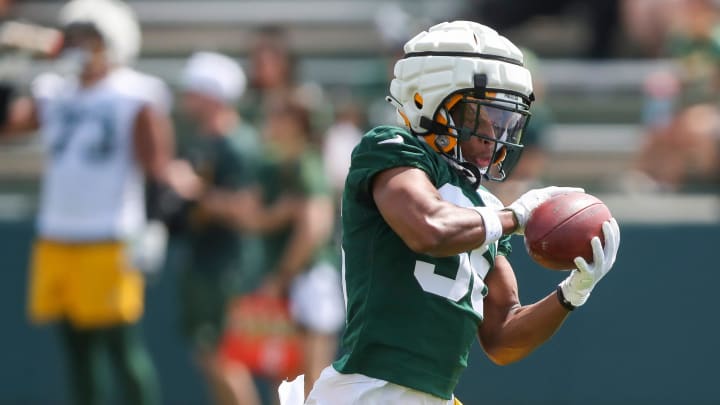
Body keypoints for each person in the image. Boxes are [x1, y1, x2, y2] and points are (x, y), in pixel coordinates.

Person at [280, 20, 621, 404]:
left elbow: (503, 337)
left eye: (507, 121)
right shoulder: (390, 148)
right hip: (372, 391)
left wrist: (572, 293)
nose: (498, 134)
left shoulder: (486, 209)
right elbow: (428, 228)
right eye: (484, 117)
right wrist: (516, 217)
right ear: (430, 101)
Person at [0, 1, 172, 404]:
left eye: (88, 38)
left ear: (112, 43)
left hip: (109, 236)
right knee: (76, 352)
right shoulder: (55, 91)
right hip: (58, 235)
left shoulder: (135, 93)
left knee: (121, 348)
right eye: (74, 37)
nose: (79, 47)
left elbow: (157, 168)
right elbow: (6, 126)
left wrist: (155, 227)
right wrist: (11, 68)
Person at [166, 51, 265, 405]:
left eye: (193, 92)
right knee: (208, 358)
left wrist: (195, 192)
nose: (186, 100)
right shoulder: (201, 141)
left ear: (211, 96)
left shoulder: (238, 144)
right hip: (203, 261)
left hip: (227, 266)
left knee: (226, 359)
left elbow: (248, 211)